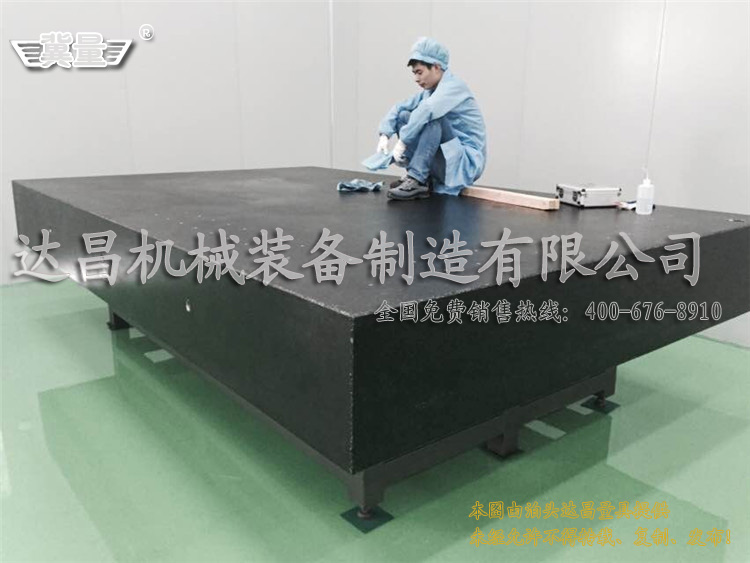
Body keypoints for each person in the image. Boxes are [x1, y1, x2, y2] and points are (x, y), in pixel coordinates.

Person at [376, 37, 487, 201]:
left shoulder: (454, 87)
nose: (416, 79)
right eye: (414, 73)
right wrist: (385, 134)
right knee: (403, 116)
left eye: (419, 72)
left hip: (464, 164)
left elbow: (427, 110)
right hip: (447, 159)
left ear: (436, 67)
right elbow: (400, 107)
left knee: (431, 118)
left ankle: (417, 178)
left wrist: (403, 141)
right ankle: (423, 178)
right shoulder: (430, 92)